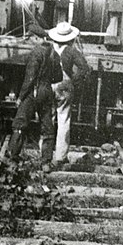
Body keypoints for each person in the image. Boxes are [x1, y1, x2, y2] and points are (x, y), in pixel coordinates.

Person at [8, 35, 60, 171]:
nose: (29, 40)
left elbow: (30, 78)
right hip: (47, 90)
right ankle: (46, 163)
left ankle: (13, 158)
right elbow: (58, 76)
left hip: (34, 91)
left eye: (31, 38)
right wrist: (46, 82)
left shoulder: (36, 52)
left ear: (37, 38)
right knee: (47, 125)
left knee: (20, 123)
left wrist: (20, 97)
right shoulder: (53, 52)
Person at [48, 22, 92, 167]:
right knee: (63, 120)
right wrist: (74, 81)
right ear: (70, 38)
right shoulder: (71, 51)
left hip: (48, 85)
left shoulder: (47, 48)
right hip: (64, 86)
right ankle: (60, 157)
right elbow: (84, 68)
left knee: (47, 119)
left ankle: (45, 155)